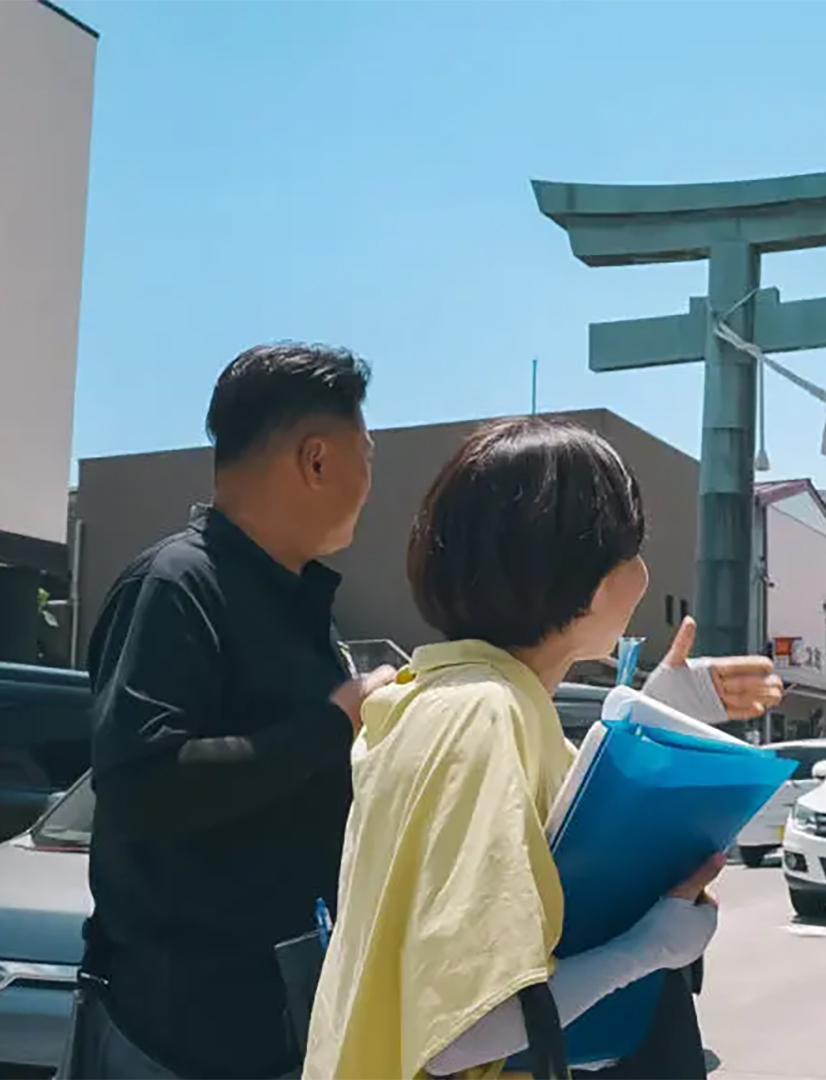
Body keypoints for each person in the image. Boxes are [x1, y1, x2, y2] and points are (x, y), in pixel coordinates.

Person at [304, 416, 783, 1079]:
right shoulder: (485, 716)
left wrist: (664, 713)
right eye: (629, 550)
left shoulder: (440, 696)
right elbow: (463, 1034)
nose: (643, 575)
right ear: (577, 578)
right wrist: (649, 949)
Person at [75, 343, 393, 1078]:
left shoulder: (291, 601)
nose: (371, 479)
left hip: (272, 1014)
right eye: (365, 452)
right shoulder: (178, 584)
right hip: (178, 1035)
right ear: (317, 460)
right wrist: (335, 720)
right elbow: (141, 784)